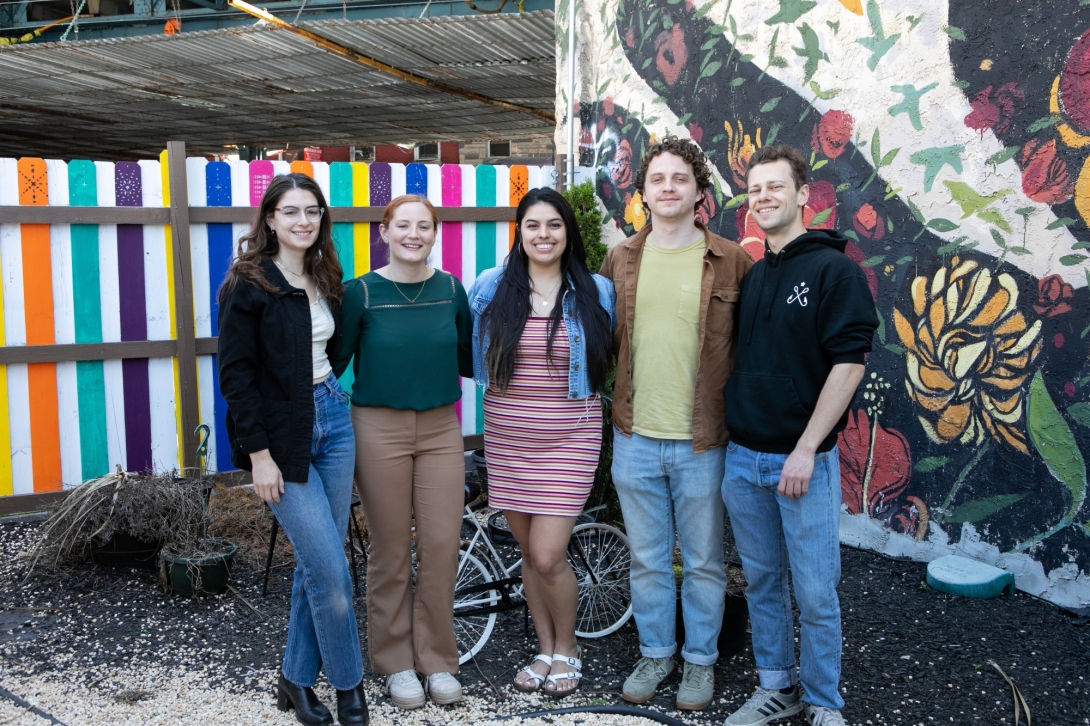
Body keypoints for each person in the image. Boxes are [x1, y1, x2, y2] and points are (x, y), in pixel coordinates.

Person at [721, 144, 878, 726]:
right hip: (743, 460)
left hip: (801, 462)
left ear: (803, 195)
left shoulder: (835, 270)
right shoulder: (757, 274)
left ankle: (822, 701)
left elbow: (849, 363)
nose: (763, 197)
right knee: (762, 583)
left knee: (815, 593)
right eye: (755, 189)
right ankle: (776, 685)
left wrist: (807, 448)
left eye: (775, 186)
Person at [600, 136, 753, 710]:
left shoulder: (733, 259)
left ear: (700, 193)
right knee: (646, 556)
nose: (668, 188)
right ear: (643, 193)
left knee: (705, 561)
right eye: (658, 179)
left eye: (679, 179)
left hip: (703, 440)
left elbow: (749, 346)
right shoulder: (621, 259)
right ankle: (657, 651)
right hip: (635, 434)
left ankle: (699, 663)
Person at [217, 173, 367, 726]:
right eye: (292, 211)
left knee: (315, 564)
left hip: (333, 418)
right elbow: (236, 376)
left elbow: (328, 348)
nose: (304, 221)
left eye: (313, 212)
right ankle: (351, 689)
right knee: (330, 569)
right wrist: (258, 455)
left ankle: (295, 680)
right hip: (281, 434)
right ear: (271, 219)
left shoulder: (325, 274)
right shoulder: (249, 284)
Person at [467, 188, 616, 698]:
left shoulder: (595, 290)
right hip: (508, 438)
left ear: (567, 231)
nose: (544, 235)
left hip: (569, 438)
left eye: (554, 224)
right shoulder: (491, 287)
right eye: (533, 225)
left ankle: (568, 648)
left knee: (550, 554)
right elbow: (472, 356)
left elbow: (604, 357)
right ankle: (545, 648)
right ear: (519, 231)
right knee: (530, 554)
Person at [332, 194, 472, 710]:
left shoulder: (452, 290)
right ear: (384, 232)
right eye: (403, 225)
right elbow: (332, 362)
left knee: (439, 546)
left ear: (435, 233)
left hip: (440, 430)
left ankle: (437, 659)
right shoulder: (360, 294)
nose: (414, 234)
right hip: (378, 430)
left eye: (424, 226)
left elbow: (467, 355)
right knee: (390, 551)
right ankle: (395, 663)